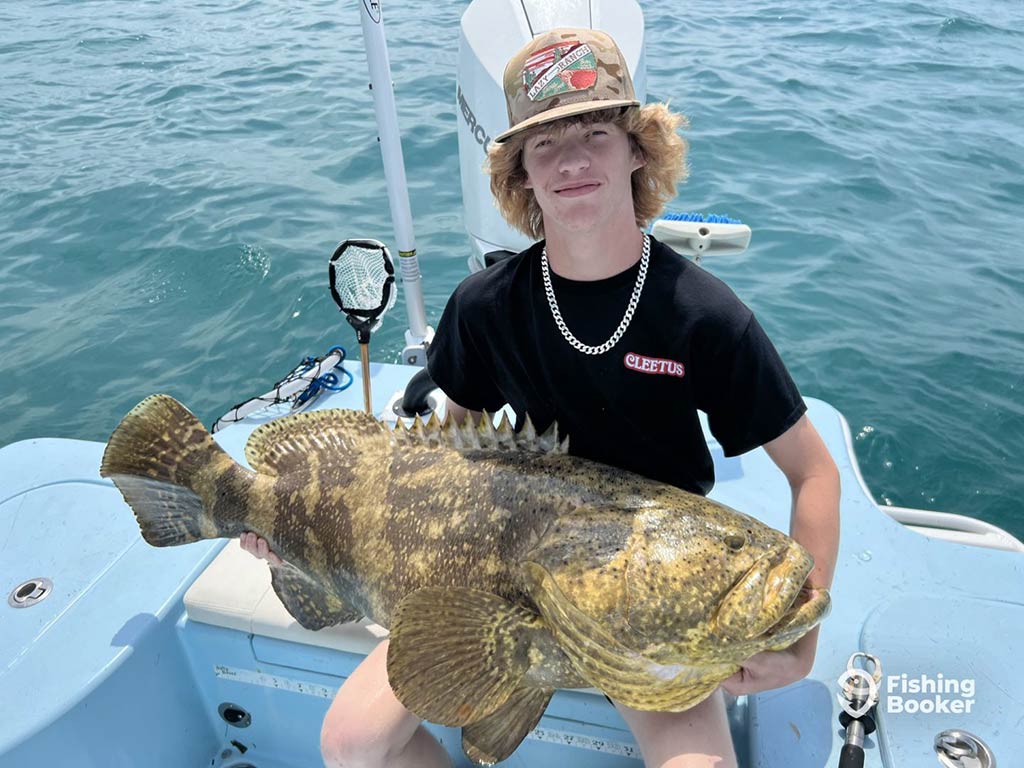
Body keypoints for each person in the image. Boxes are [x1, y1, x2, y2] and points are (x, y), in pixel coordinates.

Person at [242, 27, 840, 768]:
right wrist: (295, 532)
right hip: (493, 586)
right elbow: (446, 461)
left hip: (641, 611)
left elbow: (815, 473)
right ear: (520, 173)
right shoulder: (485, 304)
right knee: (350, 741)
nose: (574, 160)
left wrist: (803, 641)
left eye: (595, 131)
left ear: (638, 150)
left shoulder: (704, 316)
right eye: (545, 144)